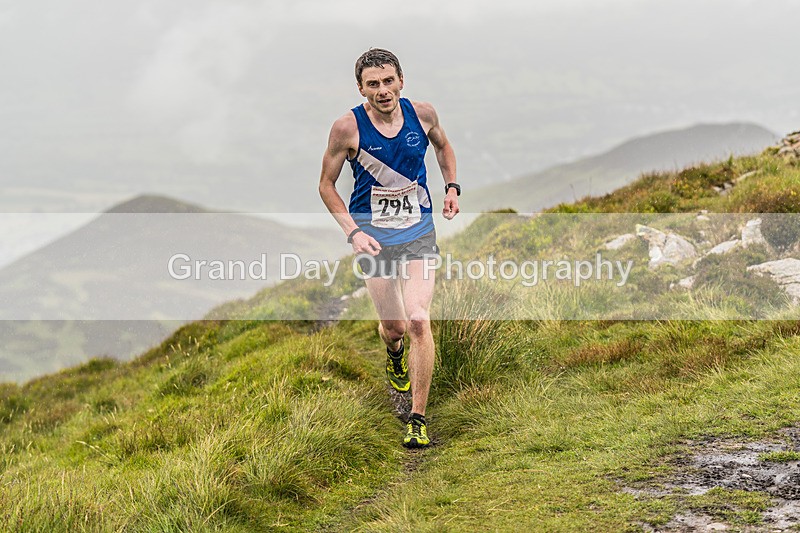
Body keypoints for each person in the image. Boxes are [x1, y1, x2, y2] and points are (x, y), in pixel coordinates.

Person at [318, 48, 460, 448]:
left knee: (418, 319)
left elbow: (444, 147)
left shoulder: (423, 113)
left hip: (418, 233)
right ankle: (394, 353)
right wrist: (352, 233)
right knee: (395, 328)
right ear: (361, 88)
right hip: (373, 239)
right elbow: (326, 186)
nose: (382, 90)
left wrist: (451, 187)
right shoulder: (347, 128)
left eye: (388, 81)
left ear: (401, 80)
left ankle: (418, 416)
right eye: (373, 84)